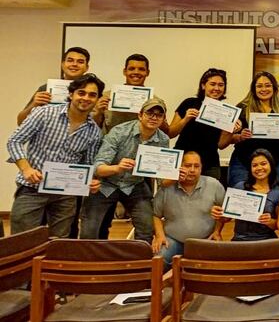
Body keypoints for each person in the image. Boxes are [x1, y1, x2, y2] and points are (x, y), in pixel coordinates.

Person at [7, 74, 104, 237]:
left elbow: (87, 165)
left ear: (97, 99)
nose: (86, 98)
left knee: (58, 243)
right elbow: (14, 141)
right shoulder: (44, 113)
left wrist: (90, 182)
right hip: (32, 189)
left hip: (65, 196)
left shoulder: (94, 132)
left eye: (92, 95)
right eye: (81, 93)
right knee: (22, 241)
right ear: (71, 94)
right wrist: (26, 169)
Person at [80, 97, 170, 243]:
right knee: (89, 230)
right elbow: (98, 167)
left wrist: (175, 175)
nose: (154, 118)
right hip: (107, 183)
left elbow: (161, 179)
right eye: (149, 113)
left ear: (163, 119)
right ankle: (88, 262)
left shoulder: (163, 140)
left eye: (159, 115)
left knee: (146, 227)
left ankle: (139, 260)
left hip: (135, 185)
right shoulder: (119, 132)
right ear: (140, 115)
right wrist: (118, 168)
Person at [152, 151, 225, 270]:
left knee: (219, 264)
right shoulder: (167, 187)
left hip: (205, 240)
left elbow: (224, 212)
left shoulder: (214, 185)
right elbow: (156, 215)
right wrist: (160, 236)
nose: (192, 170)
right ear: (179, 167)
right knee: (159, 258)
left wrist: (217, 231)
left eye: (196, 166)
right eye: (187, 166)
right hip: (173, 240)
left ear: (201, 168)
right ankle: (158, 288)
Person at [227, 71, 279, 189]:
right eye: (259, 86)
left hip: (275, 163)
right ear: (253, 89)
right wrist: (240, 136)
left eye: (268, 85)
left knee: (271, 198)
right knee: (241, 195)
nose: (264, 89)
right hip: (243, 163)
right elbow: (227, 140)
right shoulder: (242, 108)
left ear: (274, 88)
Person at [168, 68, 234, 182]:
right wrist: (186, 119)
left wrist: (230, 130)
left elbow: (221, 145)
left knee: (210, 197)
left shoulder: (226, 112)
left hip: (209, 164)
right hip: (182, 161)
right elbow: (170, 133)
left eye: (221, 85)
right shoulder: (189, 103)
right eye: (212, 84)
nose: (217, 88)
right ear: (203, 85)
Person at [212, 149, 279, 241]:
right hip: (239, 240)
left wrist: (269, 221)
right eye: (254, 165)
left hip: (266, 241)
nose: (259, 168)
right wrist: (219, 214)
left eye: (263, 163)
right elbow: (226, 218)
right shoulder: (239, 187)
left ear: (271, 166)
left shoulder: (278, 192)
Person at [17, 46, 96, 125]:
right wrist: (34, 104)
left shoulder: (92, 93)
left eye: (80, 62)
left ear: (86, 68)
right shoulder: (46, 88)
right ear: (62, 64)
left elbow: (96, 127)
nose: (74, 64)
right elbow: (20, 122)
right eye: (70, 60)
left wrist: (99, 111)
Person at [100, 54, 170, 134]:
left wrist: (156, 115)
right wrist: (98, 112)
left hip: (140, 145)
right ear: (124, 71)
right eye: (131, 69)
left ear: (147, 72)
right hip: (110, 144)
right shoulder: (107, 96)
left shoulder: (155, 101)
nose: (136, 72)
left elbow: (166, 132)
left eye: (141, 69)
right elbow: (94, 126)